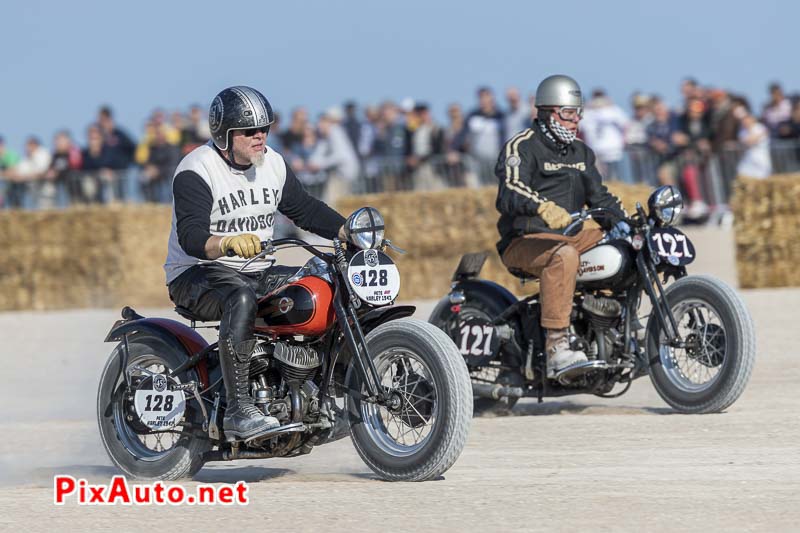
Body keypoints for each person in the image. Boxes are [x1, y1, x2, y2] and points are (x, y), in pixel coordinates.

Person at [165, 86, 346, 442]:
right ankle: (237, 409)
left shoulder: (272, 164)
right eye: (249, 131)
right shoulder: (197, 169)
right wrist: (227, 243)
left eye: (264, 127)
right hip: (197, 273)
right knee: (241, 299)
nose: (259, 135)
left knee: (321, 284)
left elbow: (304, 209)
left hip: (256, 270)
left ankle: (323, 395)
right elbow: (190, 236)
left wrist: (348, 230)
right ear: (225, 134)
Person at [494, 75, 627, 380]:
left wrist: (624, 223)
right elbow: (510, 189)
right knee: (564, 256)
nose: (575, 121)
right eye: (568, 114)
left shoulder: (581, 153)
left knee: (623, 248)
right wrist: (542, 207)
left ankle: (609, 328)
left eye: (578, 113)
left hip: (571, 235)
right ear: (546, 112)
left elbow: (601, 197)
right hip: (525, 239)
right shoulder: (522, 146)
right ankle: (557, 347)